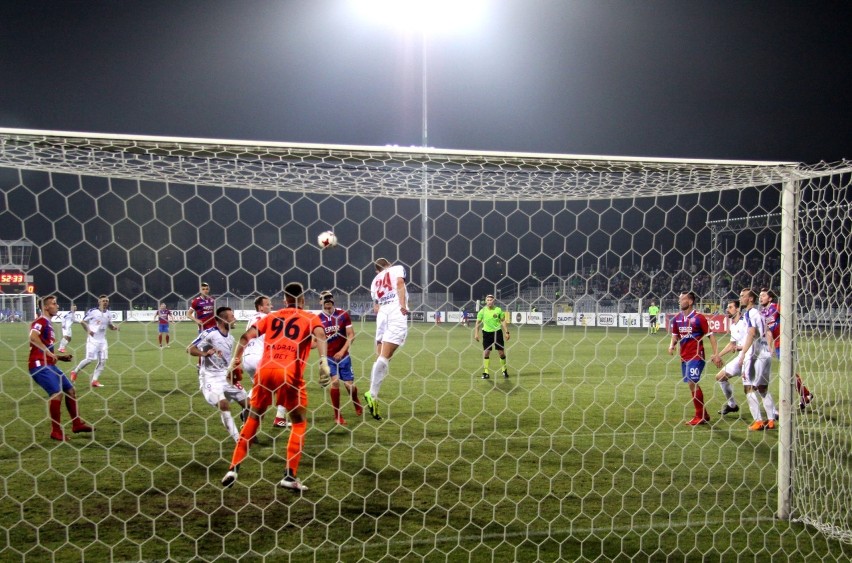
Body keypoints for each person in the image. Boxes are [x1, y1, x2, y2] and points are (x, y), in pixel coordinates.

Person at [222, 282, 330, 491]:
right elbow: (321, 336)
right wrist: (323, 361)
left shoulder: (272, 316)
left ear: (284, 299)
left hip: (265, 371)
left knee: (254, 419)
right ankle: (289, 476)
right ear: (303, 299)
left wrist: (235, 361)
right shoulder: (309, 317)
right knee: (298, 422)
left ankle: (233, 468)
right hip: (289, 373)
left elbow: (245, 337)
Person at [28, 295, 93, 441]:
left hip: (49, 364)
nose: (57, 306)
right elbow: (33, 337)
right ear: (45, 307)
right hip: (39, 365)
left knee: (70, 390)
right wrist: (49, 353)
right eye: (54, 303)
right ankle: (55, 431)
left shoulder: (49, 324)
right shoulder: (41, 321)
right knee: (56, 393)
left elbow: (44, 347)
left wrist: (59, 357)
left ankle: (76, 424)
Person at [188, 306, 247, 442]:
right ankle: (239, 440)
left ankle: (247, 430)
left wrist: (234, 368)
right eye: (232, 317)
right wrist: (204, 354)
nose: (235, 319)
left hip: (224, 376)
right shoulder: (210, 333)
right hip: (209, 376)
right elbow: (190, 349)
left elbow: (226, 361)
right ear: (222, 320)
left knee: (249, 405)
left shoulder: (231, 338)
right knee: (224, 405)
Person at [365, 258, 409, 421]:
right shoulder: (397, 268)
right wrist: (403, 305)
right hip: (395, 311)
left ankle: (373, 395)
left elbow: (376, 306)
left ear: (377, 270)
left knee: (380, 357)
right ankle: (372, 394)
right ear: (388, 265)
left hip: (382, 314)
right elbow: (399, 284)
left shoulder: (374, 281)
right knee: (386, 357)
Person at [668, 291, 718, 426]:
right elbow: (675, 335)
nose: (679, 301)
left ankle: (699, 415)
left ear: (690, 301)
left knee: (692, 382)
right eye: (679, 299)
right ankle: (704, 414)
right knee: (691, 384)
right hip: (684, 357)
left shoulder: (699, 318)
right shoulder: (677, 318)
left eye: (682, 299)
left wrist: (716, 354)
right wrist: (671, 345)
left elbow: (711, 336)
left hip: (697, 356)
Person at [240, 295, 290, 429]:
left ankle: (247, 409)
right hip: (260, 358)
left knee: (259, 388)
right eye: (268, 304)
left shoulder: (252, 318)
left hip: (247, 358)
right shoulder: (267, 318)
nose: (271, 306)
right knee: (286, 383)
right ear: (260, 307)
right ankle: (279, 418)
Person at [759, 288, 813, 411]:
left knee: (788, 372)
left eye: (763, 295)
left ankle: (803, 395)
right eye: (760, 296)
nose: (760, 297)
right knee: (789, 372)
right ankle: (805, 394)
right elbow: (767, 331)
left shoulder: (776, 307)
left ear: (770, 298)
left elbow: (790, 317)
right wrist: (770, 346)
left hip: (786, 342)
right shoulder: (763, 312)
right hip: (778, 344)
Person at [318, 291, 363, 425]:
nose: (327, 300)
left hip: (344, 357)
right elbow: (315, 341)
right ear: (320, 302)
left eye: (329, 298)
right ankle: (337, 415)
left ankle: (356, 401)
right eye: (324, 299)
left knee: (350, 386)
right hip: (329, 357)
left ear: (333, 300)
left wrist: (343, 351)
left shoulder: (342, 315)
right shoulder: (317, 319)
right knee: (335, 382)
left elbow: (351, 335)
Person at [739, 288, 777, 431]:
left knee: (748, 387)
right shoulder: (760, 313)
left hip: (755, 355)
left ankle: (758, 421)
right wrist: (770, 348)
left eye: (743, 296)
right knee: (762, 388)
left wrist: (743, 353)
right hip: (765, 353)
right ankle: (771, 420)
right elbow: (767, 331)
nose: (740, 298)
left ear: (750, 299)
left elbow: (752, 333)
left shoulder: (749, 313)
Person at [70, 294, 119, 387]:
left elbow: (109, 325)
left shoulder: (108, 313)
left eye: (107, 301)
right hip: (93, 339)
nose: (105, 302)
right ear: (99, 301)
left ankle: (94, 380)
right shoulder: (93, 311)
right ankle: (75, 372)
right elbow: (83, 321)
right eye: (103, 301)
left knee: (103, 361)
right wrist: (89, 331)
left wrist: (114, 328)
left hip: (103, 341)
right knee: (89, 360)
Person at [710, 300, 746, 416]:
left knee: (756, 388)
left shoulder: (745, 322)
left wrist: (740, 347)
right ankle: (732, 405)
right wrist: (718, 355)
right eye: (727, 307)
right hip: (741, 358)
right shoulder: (734, 325)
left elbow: (754, 340)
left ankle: (773, 413)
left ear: (738, 309)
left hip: (751, 358)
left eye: (730, 307)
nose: (727, 309)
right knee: (720, 377)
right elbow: (732, 344)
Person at [474, 294, 510, 379]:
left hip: (497, 332)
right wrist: (476, 333)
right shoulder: (482, 311)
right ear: (486, 301)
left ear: (494, 301)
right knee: (486, 352)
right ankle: (486, 372)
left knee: (501, 352)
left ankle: (504, 370)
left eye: (491, 300)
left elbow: (503, 320)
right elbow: (477, 323)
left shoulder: (498, 310)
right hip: (487, 333)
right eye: (488, 300)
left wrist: (507, 332)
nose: (489, 301)